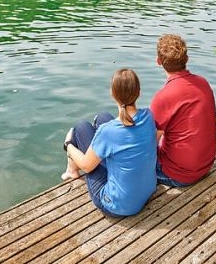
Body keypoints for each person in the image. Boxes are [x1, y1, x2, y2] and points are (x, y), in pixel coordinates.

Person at [62, 69, 157, 217]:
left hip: (117, 205)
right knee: (103, 116)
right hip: (146, 192)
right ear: (139, 92)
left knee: (80, 128)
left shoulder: (108, 132)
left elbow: (86, 166)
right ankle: (72, 169)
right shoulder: (149, 116)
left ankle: (71, 170)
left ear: (113, 94)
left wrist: (68, 144)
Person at [150, 34, 216, 187]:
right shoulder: (203, 83)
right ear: (186, 59)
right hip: (205, 166)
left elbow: (150, 143)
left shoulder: (163, 97)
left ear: (158, 61)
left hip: (177, 175)